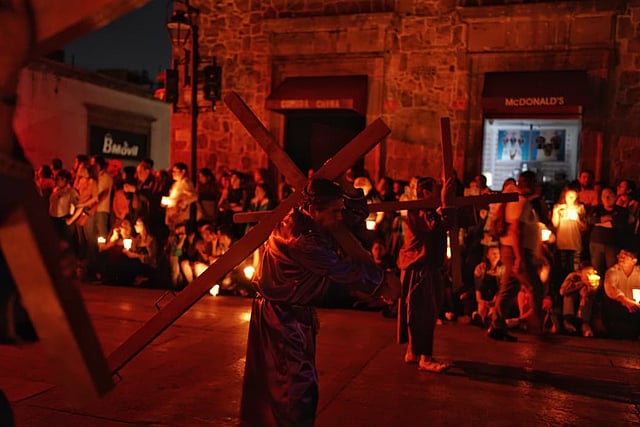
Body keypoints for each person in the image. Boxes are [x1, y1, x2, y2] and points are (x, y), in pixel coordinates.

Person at [240, 178, 386, 427]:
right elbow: (341, 269)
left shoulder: (313, 220)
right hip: (281, 318)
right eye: (335, 211)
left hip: (292, 312)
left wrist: (349, 189)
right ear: (314, 209)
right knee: (294, 388)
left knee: (287, 386)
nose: (339, 216)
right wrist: (381, 282)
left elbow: (353, 216)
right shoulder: (301, 238)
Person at [397, 176, 455, 372]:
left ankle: (414, 352)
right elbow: (435, 226)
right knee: (423, 313)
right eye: (436, 190)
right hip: (418, 267)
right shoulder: (417, 211)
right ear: (426, 192)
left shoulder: (427, 211)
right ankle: (425, 357)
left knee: (420, 311)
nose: (439, 193)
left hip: (423, 267)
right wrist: (445, 203)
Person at [488, 170, 545, 342]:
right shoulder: (520, 202)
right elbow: (516, 230)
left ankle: (496, 325)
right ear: (531, 184)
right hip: (516, 252)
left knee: (509, 288)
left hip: (513, 251)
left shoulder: (521, 201)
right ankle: (535, 326)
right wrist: (519, 258)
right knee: (535, 287)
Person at [602, 249, 640, 339]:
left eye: (626, 255)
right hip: (617, 310)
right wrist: (625, 301)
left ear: (634, 261)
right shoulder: (612, 271)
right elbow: (610, 288)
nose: (621, 257)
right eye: (620, 255)